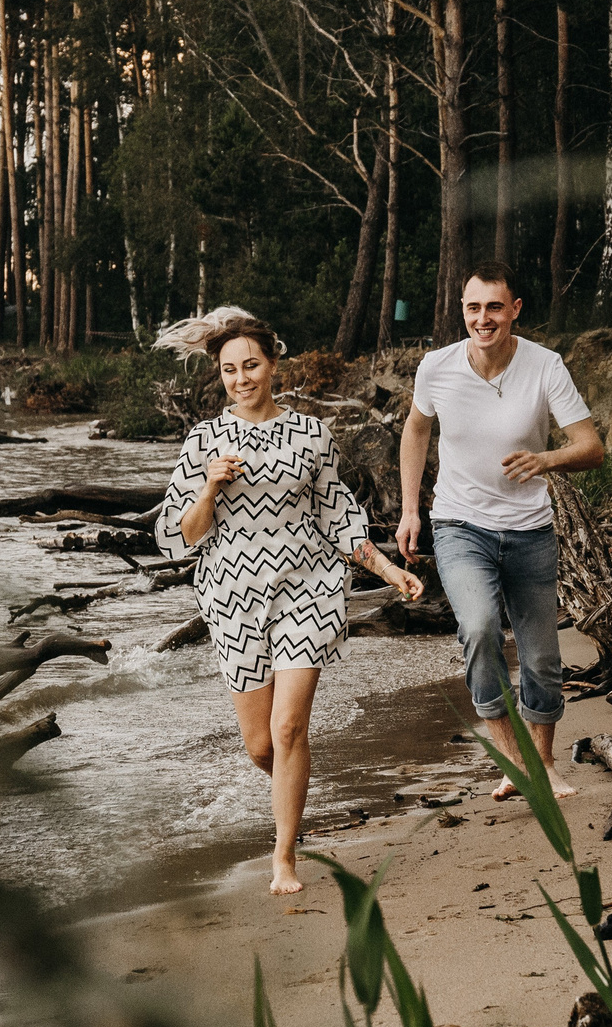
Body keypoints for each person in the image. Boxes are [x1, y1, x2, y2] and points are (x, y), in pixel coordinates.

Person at [157, 315, 425, 895]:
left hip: (310, 587)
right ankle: (293, 795)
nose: (241, 378)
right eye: (229, 370)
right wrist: (208, 486)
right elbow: (183, 535)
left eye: (251, 365)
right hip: (232, 598)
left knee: (288, 726)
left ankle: (284, 856)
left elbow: (338, 515)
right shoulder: (202, 441)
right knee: (263, 745)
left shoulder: (311, 434)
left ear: (273, 363)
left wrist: (387, 568)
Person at [395, 262, 605, 799]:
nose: (482, 319)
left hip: (530, 529)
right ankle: (514, 763)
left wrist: (546, 460)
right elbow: (416, 430)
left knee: (541, 657)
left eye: (493, 307)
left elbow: (591, 446)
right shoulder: (436, 367)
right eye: (472, 307)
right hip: (460, 524)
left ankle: (543, 763)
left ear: (514, 310)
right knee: (481, 628)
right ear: (461, 310)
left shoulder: (545, 366)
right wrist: (411, 510)